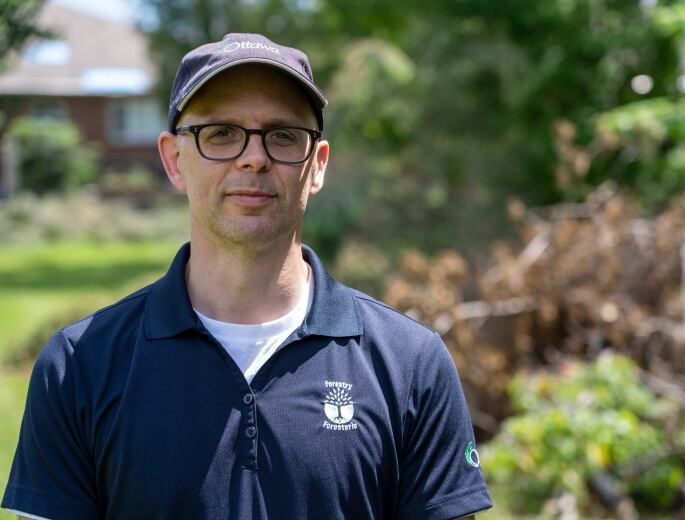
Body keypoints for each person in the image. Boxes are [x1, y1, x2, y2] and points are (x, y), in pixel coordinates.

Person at [2, 33, 492, 520]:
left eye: (282, 136)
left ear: (317, 165)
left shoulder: (410, 365)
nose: (254, 157)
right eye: (220, 133)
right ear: (174, 160)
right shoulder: (79, 366)